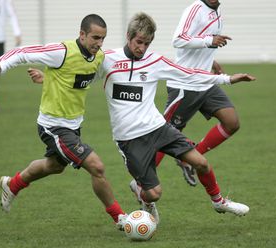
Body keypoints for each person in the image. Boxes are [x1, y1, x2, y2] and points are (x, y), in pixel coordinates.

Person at [29, 12, 254, 224]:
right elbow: (78, 74)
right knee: (154, 194)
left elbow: (189, 73)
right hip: (129, 139)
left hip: (158, 128)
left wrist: (228, 79)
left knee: (201, 163)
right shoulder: (106, 59)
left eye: (147, 43)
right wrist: (48, 79)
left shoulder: (155, 61)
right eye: (138, 42)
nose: (142, 48)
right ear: (128, 37)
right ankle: (143, 195)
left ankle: (219, 202)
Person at [0, 14, 127, 230]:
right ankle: (121, 219)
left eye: (102, 39)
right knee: (96, 167)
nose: (98, 44)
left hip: (73, 125)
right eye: (95, 38)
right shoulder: (61, 52)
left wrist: (48, 78)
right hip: (53, 126)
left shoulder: (97, 57)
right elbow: (23, 53)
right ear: (82, 34)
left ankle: (11, 184)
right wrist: (1, 65)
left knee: (54, 166)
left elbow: (83, 78)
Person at [155, 0, 243, 186]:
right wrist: (209, 41)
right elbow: (178, 39)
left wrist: (211, 61)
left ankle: (189, 158)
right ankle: (142, 181)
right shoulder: (195, 9)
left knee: (231, 122)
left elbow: (200, 43)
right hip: (185, 83)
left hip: (205, 81)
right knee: (165, 133)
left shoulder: (216, 11)